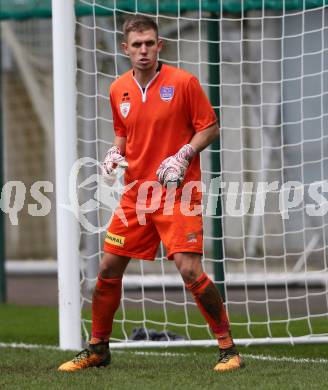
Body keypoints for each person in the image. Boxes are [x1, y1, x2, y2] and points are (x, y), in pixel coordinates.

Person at [58, 14, 244, 373]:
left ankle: (228, 348)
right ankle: (98, 347)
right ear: (124, 48)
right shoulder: (117, 89)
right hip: (136, 195)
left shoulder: (184, 83)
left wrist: (183, 154)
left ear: (160, 46)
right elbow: (123, 134)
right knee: (108, 267)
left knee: (189, 269)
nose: (143, 51)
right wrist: (115, 153)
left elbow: (210, 128)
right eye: (136, 45)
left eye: (149, 44)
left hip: (178, 191)